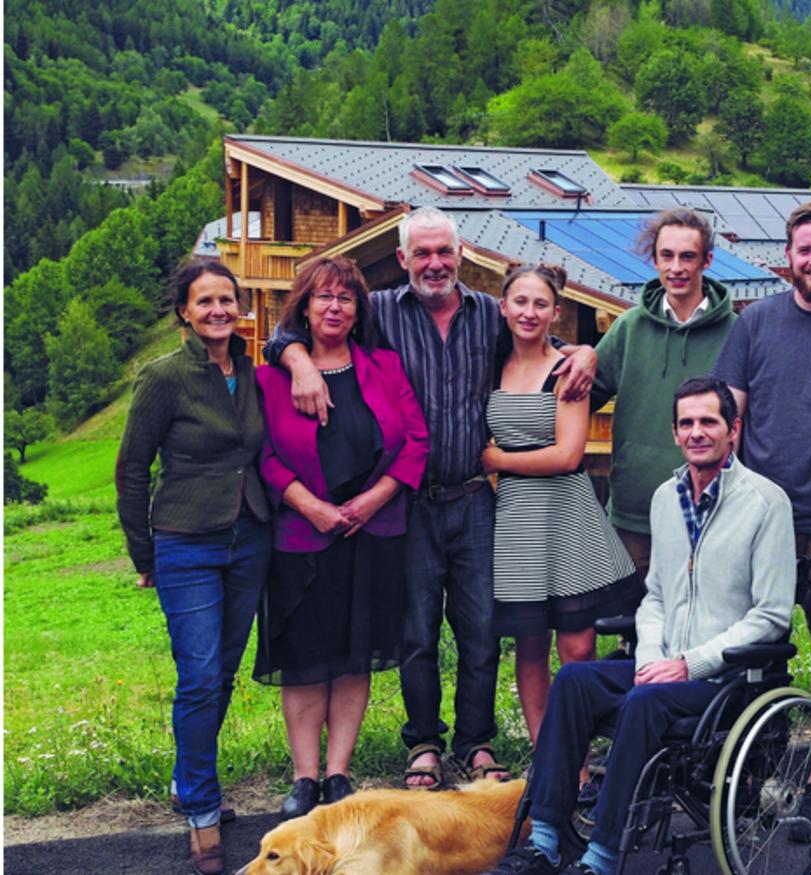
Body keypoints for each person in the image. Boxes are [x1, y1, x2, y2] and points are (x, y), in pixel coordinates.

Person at [264, 206, 596, 790]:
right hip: (408, 501)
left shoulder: (489, 314)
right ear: (403, 259)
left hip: (474, 496)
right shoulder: (380, 313)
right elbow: (294, 329)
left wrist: (585, 351)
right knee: (416, 632)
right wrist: (296, 361)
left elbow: (538, 333)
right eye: (422, 253)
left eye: (444, 251)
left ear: (461, 253)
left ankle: (477, 742)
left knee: (480, 629)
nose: (435, 263)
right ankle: (423, 743)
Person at [484, 377, 796, 875]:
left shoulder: (766, 502)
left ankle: (603, 855)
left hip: (727, 678)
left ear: (733, 429)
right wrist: (651, 658)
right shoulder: (666, 498)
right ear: (674, 432)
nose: (697, 432)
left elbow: (772, 615)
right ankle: (544, 840)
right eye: (686, 423)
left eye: (709, 421)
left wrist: (688, 664)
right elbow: (656, 596)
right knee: (574, 680)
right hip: (663, 668)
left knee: (644, 702)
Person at [712, 201, 811, 802]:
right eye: (804, 250)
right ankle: (751, 766)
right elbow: (729, 416)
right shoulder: (756, 322)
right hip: (761, 522)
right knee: (751, 647)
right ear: (788, 257)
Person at [255, 257, 429, 816]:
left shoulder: (385, 366)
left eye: (345, 298)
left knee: (355, 655)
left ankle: (338, 774)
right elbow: (263, 455)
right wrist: (310, 507)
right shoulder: (272, 377)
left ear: (358, 311)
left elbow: (416, 441)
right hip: (302, 537)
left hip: (373, 531)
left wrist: (373, 499)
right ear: (304, 307)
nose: (334, 307)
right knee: (306, 657)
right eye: (323, 297)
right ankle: (305, 777)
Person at [116, 260, 272, 875]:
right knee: (200, 677)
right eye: (204, 301)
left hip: (249, 537)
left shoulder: (253, 374)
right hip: (185, 542)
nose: (217, 310)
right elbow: (132, 470)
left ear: (240, 306)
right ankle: (203, 811)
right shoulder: (163, 377)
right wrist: (145, 554)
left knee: (223, 673)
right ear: (184, 310)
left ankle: (189, 780)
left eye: (226, 299)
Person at [481, 263, 643, 744]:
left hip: (567, 516)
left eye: (541, 304)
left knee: (577, 647)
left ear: (555, 312)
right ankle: (546, 756)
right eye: (520, 302)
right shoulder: (490, 364)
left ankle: (580, 758)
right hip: (517, 520)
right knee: (530, 647)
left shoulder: (568, 370)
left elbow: (568, 454)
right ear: (503, 306)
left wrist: (497, 459)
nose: (529, 313)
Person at [590, 208, 735, 587]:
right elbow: (583, 395)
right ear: (654, 260)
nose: (676, 267)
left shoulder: (736, 333)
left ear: (707, 260)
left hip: (711, 510)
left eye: (688, 256)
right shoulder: (628, 327)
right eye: (666, 256)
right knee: (633, 617)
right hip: (635, 511)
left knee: (700, 613)